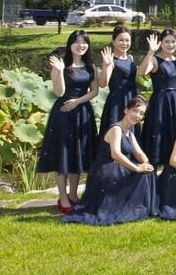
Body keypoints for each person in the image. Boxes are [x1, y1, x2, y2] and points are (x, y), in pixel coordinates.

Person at [63, 96, 157, 225]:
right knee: (140, 172)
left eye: (141, 113)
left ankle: (137, 207)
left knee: (148, 172)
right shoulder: (116, 129)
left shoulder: (129, 132)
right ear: (126, 110)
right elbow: (116, 154)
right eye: (135, 111)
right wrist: (136, 168)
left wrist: (146, 163)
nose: (137, 115)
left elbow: (139, 153)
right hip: (106, 169)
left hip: (119, 167)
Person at [37, 29, 99, 212]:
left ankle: (73, 194)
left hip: (82, 113)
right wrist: (59, 71)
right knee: (63, 155)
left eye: (84, 42)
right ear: (70, 44)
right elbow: (59, 93)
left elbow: (94, 91)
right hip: (63, 114)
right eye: (77, 42)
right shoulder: (61, 64)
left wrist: (78, 102)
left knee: (77, 154)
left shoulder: (90, 66)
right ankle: (62, 197)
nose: (81, 45)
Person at [141, 29, 176, 169]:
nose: (170, 44)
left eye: (173, 41)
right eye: (167, 41)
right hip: (160, 103)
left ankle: (171, 174)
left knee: (175, 135)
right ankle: (152, 175)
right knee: (158, 134)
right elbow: (141, 72)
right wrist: (150, 52)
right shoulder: (155, 59)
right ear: (161, 43)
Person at [97, 25, 138, 140]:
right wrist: (105, 66)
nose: (124, 43)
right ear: (113, 41)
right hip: (117, 101)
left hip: (131, 97)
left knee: (131, 132)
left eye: (127, 40)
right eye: (121, 40)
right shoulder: (111, 60)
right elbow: (102, 83)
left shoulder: (130, 57)